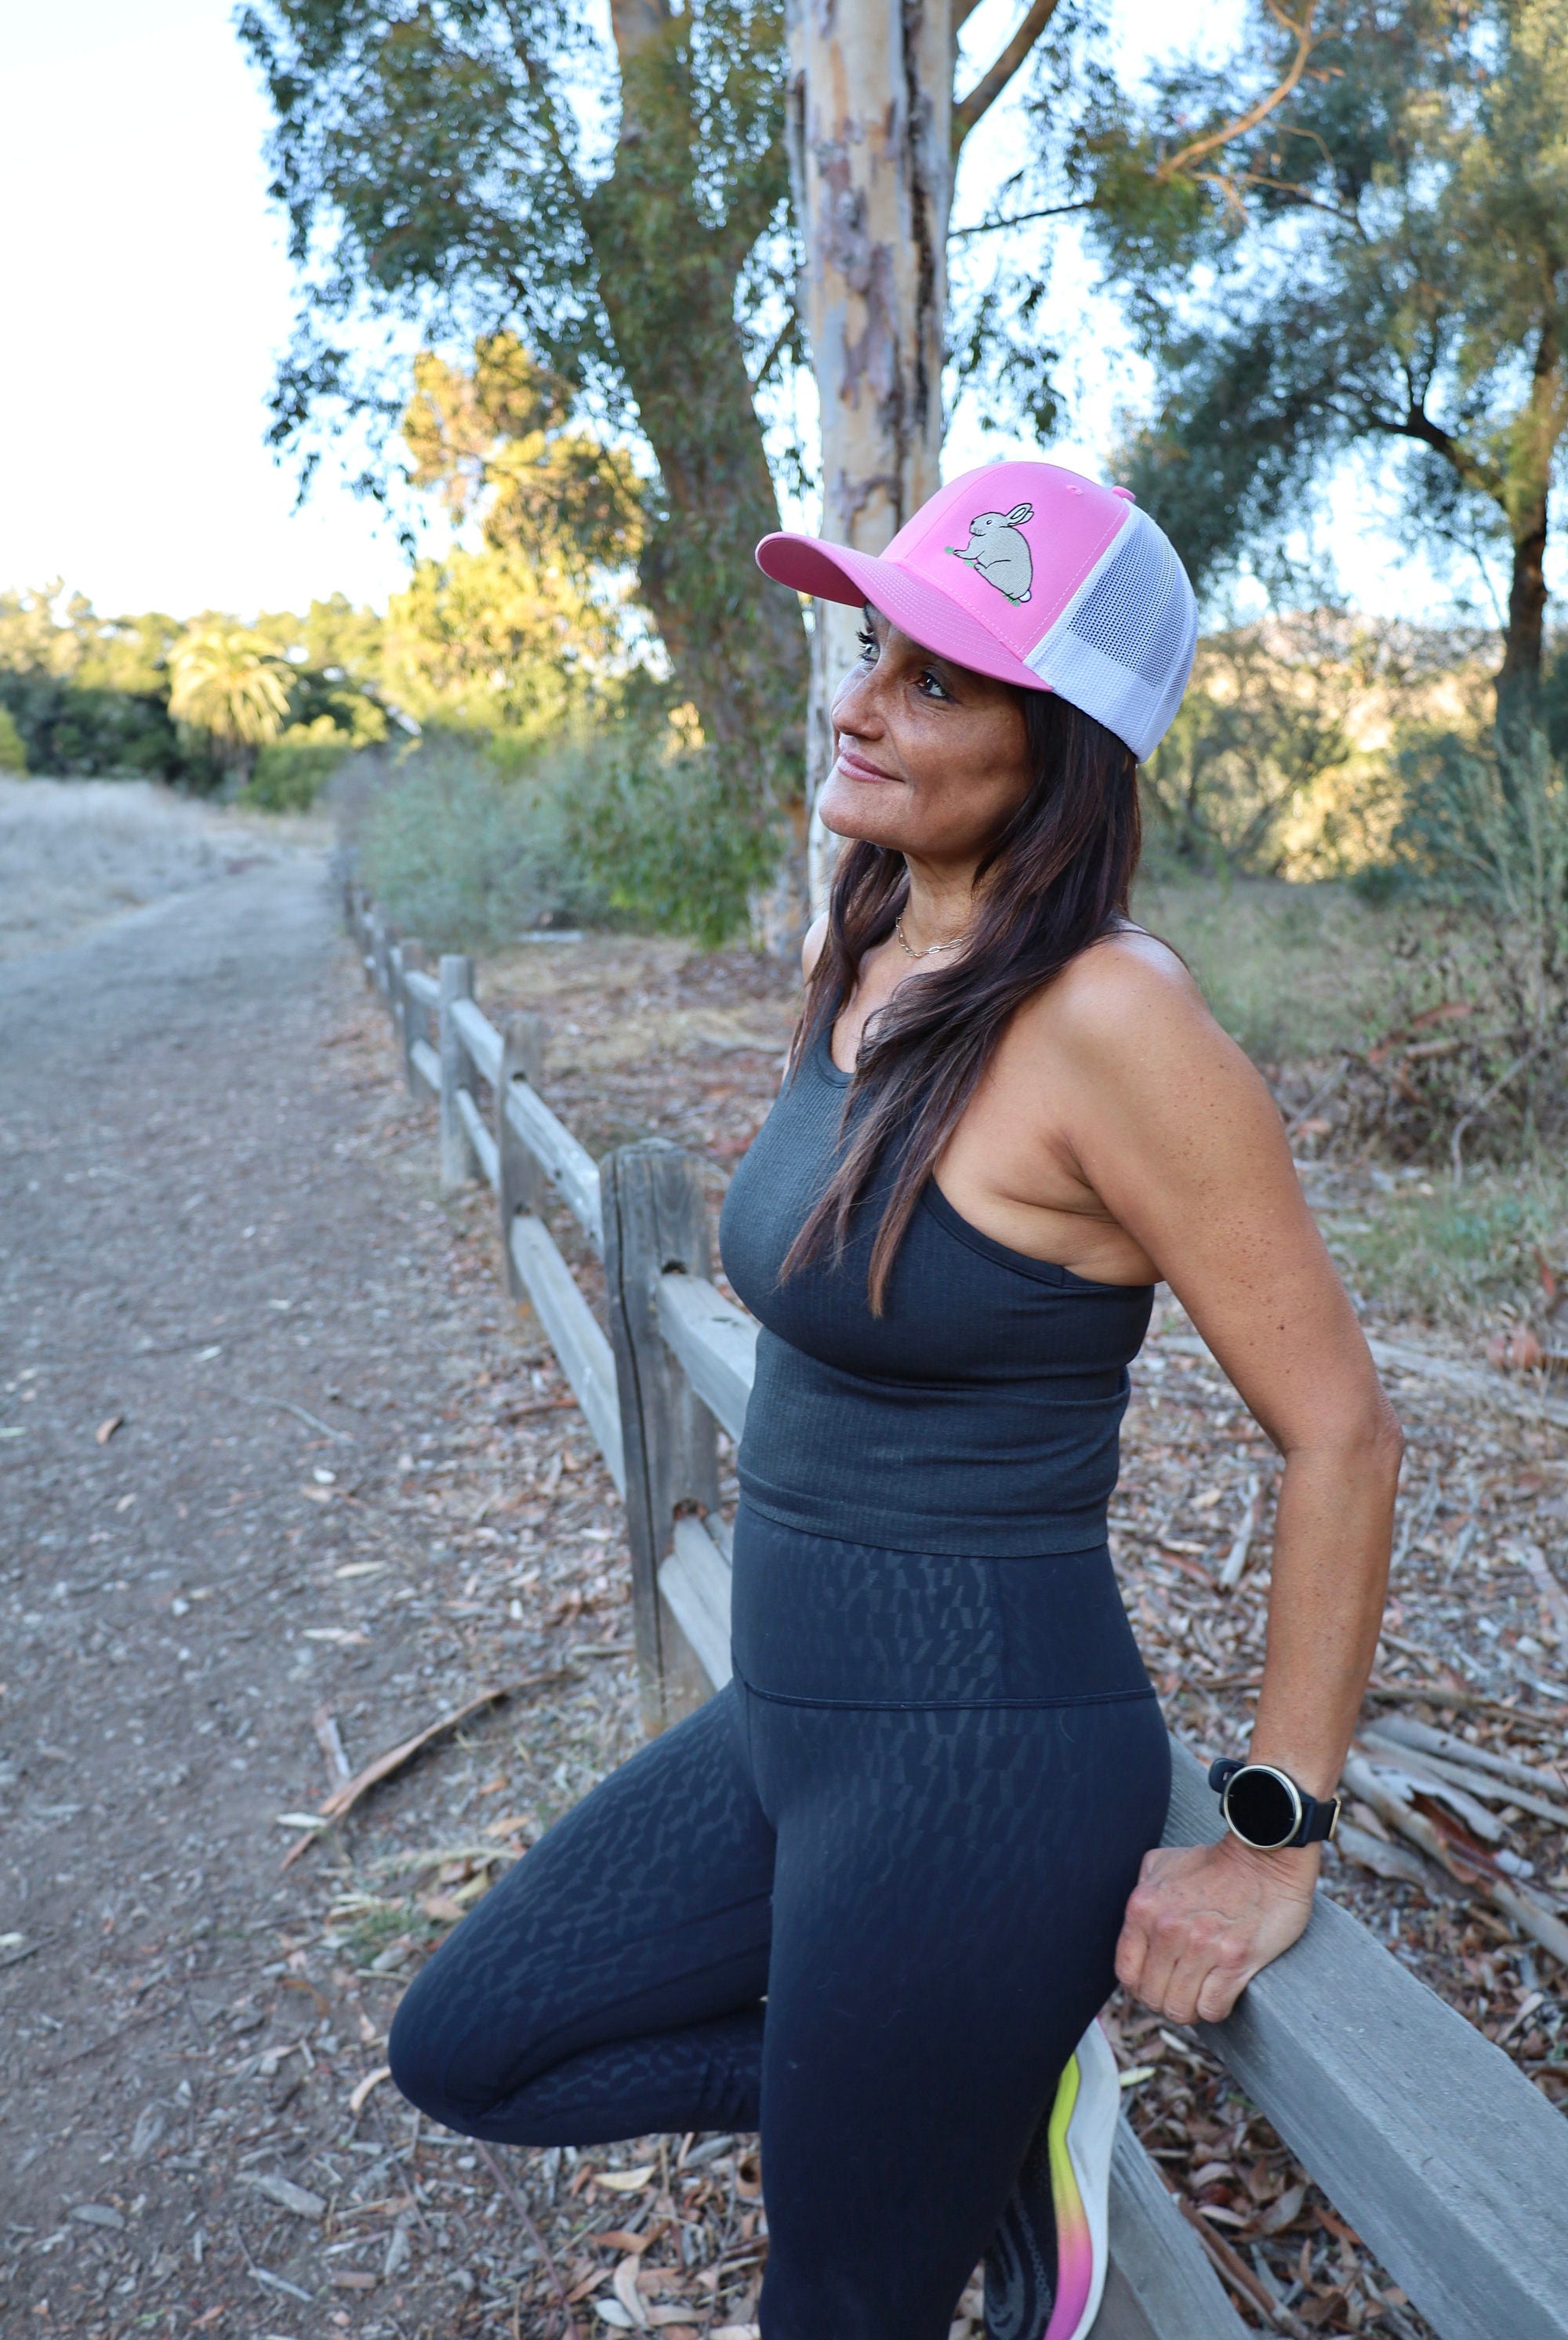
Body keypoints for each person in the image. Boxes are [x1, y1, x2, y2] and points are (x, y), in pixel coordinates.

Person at [387, 462, 1401, 2340]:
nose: (860, 700)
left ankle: (934, 2115)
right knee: (468, 2046)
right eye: (877, 648)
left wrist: (1268, 1832)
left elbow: (1341, 1424)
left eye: (939, 681)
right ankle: (972, 2111)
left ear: (1067, 743)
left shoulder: (1117, 1024)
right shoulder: (866, 943)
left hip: (978, 1764)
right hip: (790, 1715)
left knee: (836, 2303)